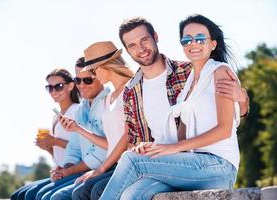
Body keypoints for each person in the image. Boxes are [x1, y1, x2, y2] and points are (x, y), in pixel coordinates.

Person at [99, 16, 249, 200]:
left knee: (131, 159)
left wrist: (243, 98)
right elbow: (181, 134)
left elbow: (225, 129)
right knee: (131, 194)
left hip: (217, 165)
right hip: (189, 165)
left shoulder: (218, 71)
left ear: (213, 43)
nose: (193, 43)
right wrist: (152, 147)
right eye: (187, 40)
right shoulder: (189, 85)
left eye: (200, 38)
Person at [50, 41, 134, 200]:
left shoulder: (130, 90)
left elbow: (126, 136)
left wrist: (100, 168)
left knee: (81, 192)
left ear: (107, 66)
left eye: (92, 72)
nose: (82, 84)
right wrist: (76, 129)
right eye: (78, 80)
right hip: (115, 163)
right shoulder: (110, 98)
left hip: (126, 163)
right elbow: (111, 141)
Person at [34, 57, 110, 200]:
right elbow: (74, 148)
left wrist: (68, 171)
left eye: (87, 80)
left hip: (105, 167)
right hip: (84, 168)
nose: (81, 85)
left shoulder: (108, 104)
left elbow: (101, 153)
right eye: (78, 80)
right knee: (37, 195)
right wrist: (65, 167)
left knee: (54, 197)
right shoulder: (81, 109)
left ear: (101, 77)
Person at [10, 68, 81, 200]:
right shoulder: (56, 117)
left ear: (71, 86)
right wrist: (48, 147)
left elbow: (84, 147)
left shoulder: (77, 111)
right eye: (50, 87)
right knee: (17, 195)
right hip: (59, 172)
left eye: (58, 86)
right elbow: (58, 154)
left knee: (32, 195)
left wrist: (55, 141)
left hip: (75, 171)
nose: (53, 91)